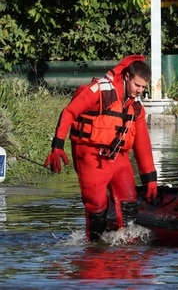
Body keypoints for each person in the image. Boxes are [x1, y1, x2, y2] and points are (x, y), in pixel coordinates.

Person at [43, 55, 158, 242]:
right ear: (127, 76)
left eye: (144, 87)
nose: (140, 91)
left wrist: (150, 179)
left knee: (129, 201)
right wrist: (57, 146)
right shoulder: (100, 90)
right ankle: (94, 247)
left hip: (117, 157)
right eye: (138, 85)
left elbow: (142, 143)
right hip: (90, 155)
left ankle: (128, 249)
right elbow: (69, 112)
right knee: (97, 204)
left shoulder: (136, 106)